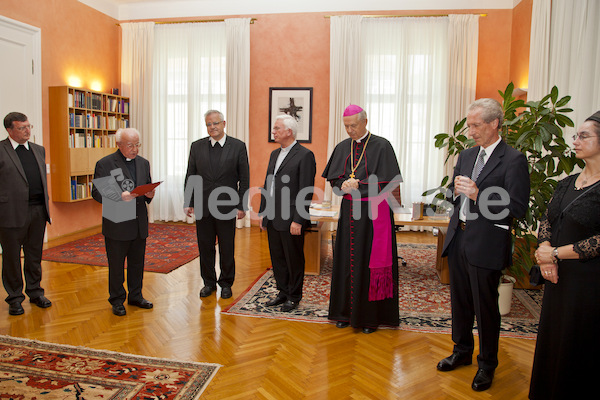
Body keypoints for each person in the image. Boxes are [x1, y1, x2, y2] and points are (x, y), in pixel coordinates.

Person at [437, 98, 530, 391]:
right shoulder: (466, 156)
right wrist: (452, 192)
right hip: (459, 236)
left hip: (487, 243)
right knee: (460, 303)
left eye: (476, 125)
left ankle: (487, 364)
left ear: (494, 124)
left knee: (485, 307)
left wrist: (480, 195)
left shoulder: (513, 159)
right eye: (469, 125)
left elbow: (517, 208)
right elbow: (455, 192)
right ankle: (461, 352)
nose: (470, 131)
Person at [529, 111, 600, 399]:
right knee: (555, 338)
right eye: (576, 135)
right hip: (558, 277)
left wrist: (555, 253)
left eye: (584, 136)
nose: (576, 140)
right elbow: (547, 219)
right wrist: (545, 253)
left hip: (589, 281)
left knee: (579, 341)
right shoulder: (566, 182)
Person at [322, 104, 402, 334]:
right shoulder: (342, 147)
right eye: (346, 126)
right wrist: (342, 185)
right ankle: (344, 313)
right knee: (346, 261)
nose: (350, 131)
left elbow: (391, 182)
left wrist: (360, 185)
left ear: (365, 122)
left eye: (353, 126)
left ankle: (370, 318)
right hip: (349, 214)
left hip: (375, 215)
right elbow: (334, 181)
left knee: (370, 263)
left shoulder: (382, 145)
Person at [184, 110, 250, 299]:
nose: (212, 127)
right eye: (208, 124)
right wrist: (188, 200)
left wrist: (241, 205)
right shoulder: (196, 147)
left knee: (227, 246)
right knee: (205, 246)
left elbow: (244, 178)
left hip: (227, 206)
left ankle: (226, 283)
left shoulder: (238, 146)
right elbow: (191, 175)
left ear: (224, 123)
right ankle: (209, 282)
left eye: (215, 123)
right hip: (202, 206)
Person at [92, 128, 155, 316]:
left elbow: (146, 188)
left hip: (138, 223)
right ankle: (117, 300)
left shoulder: (144, 163)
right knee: (117, 265)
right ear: (118, 145)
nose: (135, 149)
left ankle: (136, 296)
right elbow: (97, 193)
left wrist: (150, 194)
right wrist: (119, 197)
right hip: (117, 223)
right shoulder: (105, 164)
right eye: (130, 145)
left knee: (137, 263)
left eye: (137, 144)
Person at [259, 114, 316, 312]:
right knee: (277, 258)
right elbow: (268, 184)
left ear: (289, 132)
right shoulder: (275, 154)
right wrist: (263, 213)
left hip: (291, 218)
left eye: (276, 128)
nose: (273, 132)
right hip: (273, 217)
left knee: (293, 258)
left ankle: (294, 296)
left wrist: (298, 219)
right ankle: (282, 292)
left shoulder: (305, 155)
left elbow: (305, 190)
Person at [0, 112, 52, 316]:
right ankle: (15, 298)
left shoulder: (39, 150)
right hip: (10, 213)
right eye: (22, 128)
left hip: (38, 210)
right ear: (9, 130)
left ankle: (35, 291)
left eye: (29, 126)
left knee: (34, 255)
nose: (27, 131)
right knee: (12, 257)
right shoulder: (1, 150)